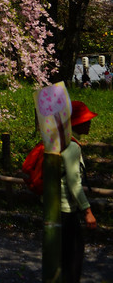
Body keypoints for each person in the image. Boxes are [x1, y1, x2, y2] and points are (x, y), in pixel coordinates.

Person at [61, 100, 98, 283]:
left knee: (66, 255)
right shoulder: (72, 146)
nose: (90, 123)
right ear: (77, 123)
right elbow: (74, 183)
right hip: (66, 209)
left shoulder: (63, 140)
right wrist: (88, 211)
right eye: (87, 120)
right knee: (74, 255)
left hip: (57, 207)